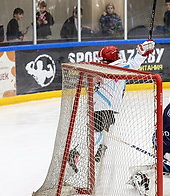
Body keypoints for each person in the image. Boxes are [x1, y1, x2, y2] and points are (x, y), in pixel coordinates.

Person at [66, 40, 155, 173]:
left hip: (100, 106)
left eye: (103, 60)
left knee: (105, 132)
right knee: (98, 134)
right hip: (104, 107)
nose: (101, 62)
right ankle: (77, 153)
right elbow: (134, 64)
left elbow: (132, 64)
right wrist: (143, 52)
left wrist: (144, 52)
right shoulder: (118, 66)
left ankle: (99, 151)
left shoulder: (109, 66)